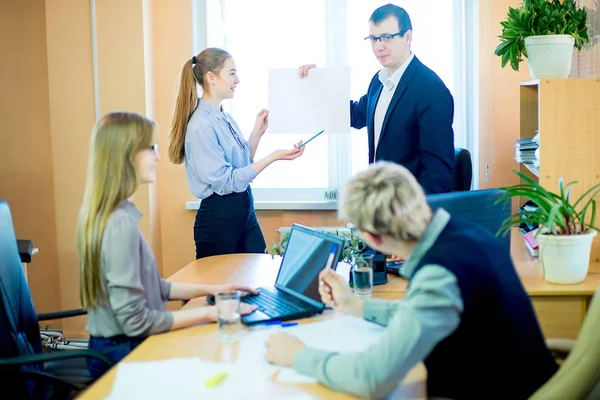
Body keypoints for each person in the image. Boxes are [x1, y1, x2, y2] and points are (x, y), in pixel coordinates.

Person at [264, 162, 558, 399]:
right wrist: (355, 306)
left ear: (371, 238)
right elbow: (419, 315)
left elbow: (369, 377)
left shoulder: (439, 274)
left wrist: (298, 355)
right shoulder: (469, 233)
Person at [78, 111, 258, 379]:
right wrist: (212, 313)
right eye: (151, 148)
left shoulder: (116, 213)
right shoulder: (119, 225)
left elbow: (154, 286)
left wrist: (217, 290)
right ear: (126, 156)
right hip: (121, 354)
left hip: (119, 346)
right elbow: (136, 321)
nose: (158, 156)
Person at [299, 4, 454, 194]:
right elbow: (355, 116)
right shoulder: (379, 81)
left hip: (408, 209)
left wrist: (417, 217)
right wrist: (319, 81)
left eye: (387, 37)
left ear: (408, 37)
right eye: (374, 39)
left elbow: (437, 171)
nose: (379, 46)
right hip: (381, 202)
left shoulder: (431, 89)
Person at [168, 47, 305, 259]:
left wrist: (257, 133)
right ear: (211, 77)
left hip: (244, 208)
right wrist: (273, 157)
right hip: (218, 217)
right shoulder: (201, 125)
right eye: (232, 73)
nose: (238, 79)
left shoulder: (224, 117)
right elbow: (227, 181)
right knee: (221, 287)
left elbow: (241, 164)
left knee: (258, 274)